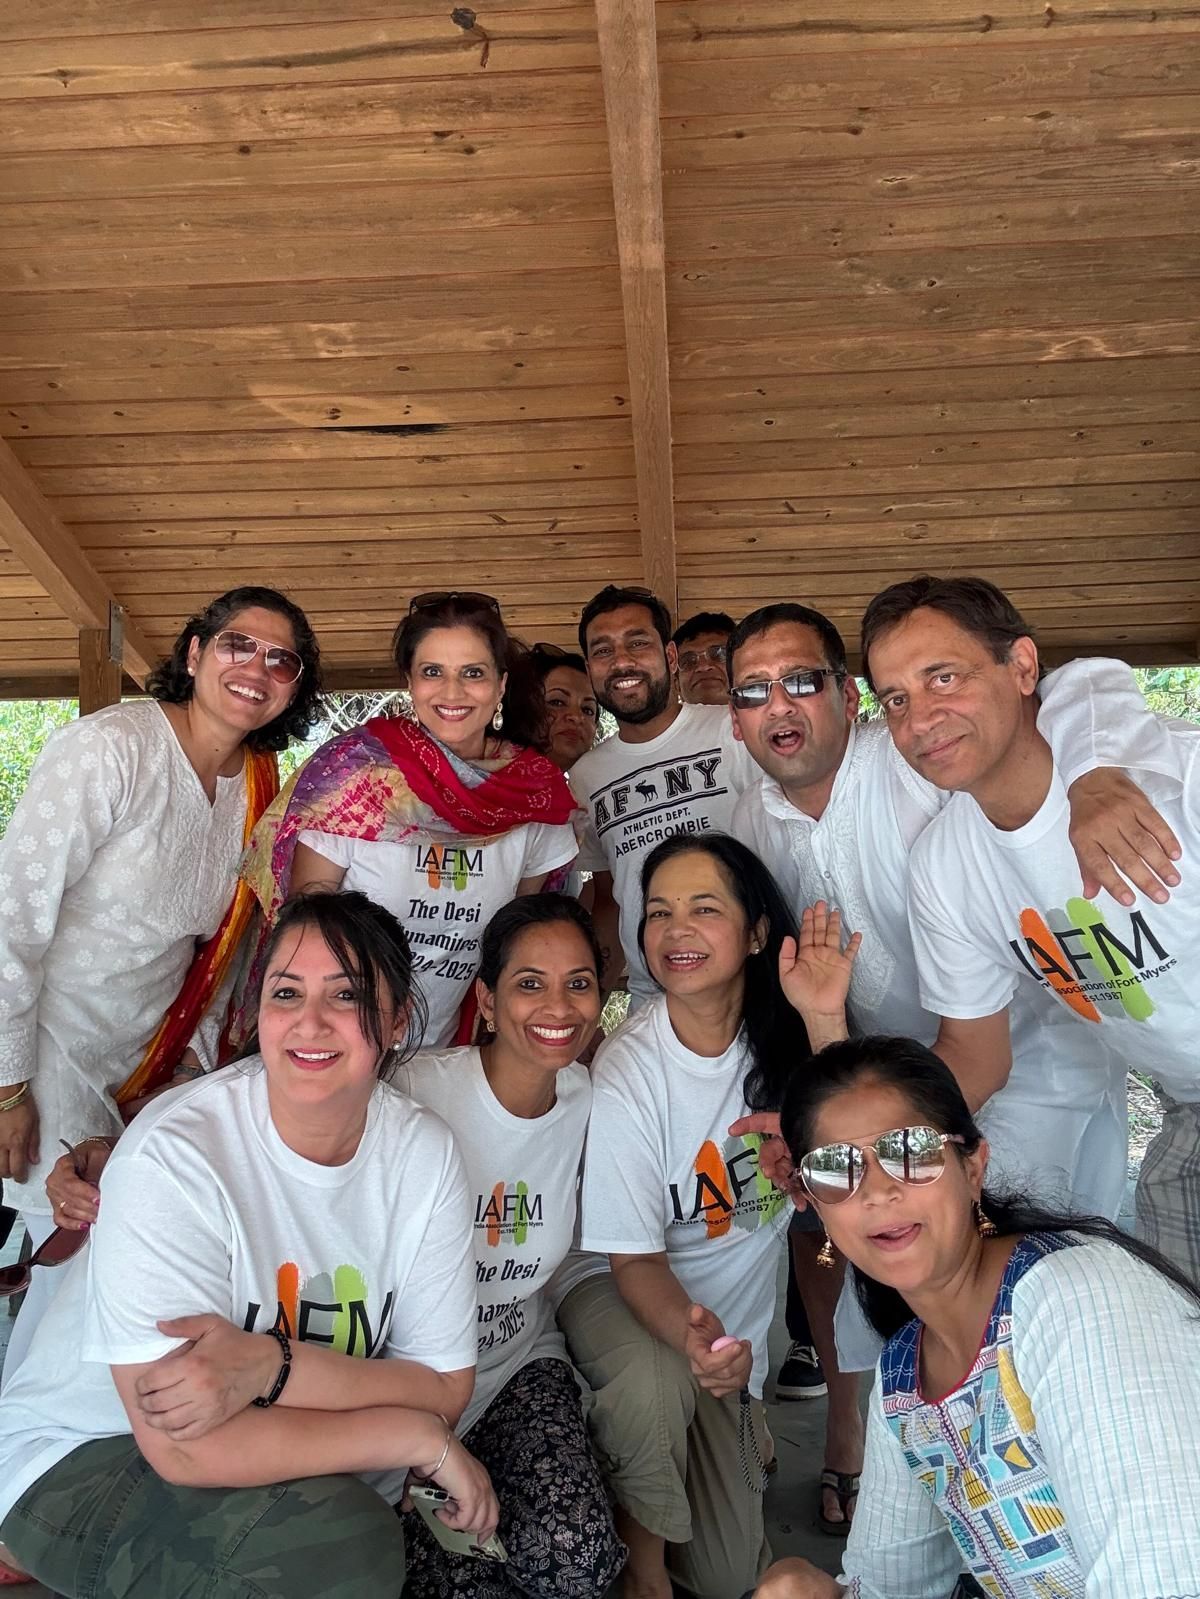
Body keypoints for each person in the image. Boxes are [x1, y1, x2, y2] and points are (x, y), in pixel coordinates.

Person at [726, 599, 1176, 1526]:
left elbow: (1083, 685)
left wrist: (1094, 773)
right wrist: (828, 1123)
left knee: (1039, 1306)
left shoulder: (922, 761)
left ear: (846, 699)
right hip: (914, 1090)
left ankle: (1079, 1513)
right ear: (733, 712)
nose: (781, 703)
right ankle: (982, 1520)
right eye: (754, 689)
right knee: (925, 1306)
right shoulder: (756, 815)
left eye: (804, 679)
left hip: (1037, 1074)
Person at [0, 890, 497, 1596]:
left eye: (347, 995)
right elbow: (181, 1444)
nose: (310, 1021)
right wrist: (415, 1438)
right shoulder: (178, 1156)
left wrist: (269, 1365)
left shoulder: (423, 1155)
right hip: (81, 1453)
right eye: (285, 991)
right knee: (345, 1546)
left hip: (273, 1448)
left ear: (394, 1020)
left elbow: (444, 1384)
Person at [0, 585, 321, 1382]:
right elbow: (13, 916)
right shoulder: (111, 748)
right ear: (193, 653)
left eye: (282, 660)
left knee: (96, 1266)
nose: (257, 669)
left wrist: (183, 1073)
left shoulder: (256, 784)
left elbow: (219, 956)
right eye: (239, 644)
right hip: (36, 1050)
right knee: (66, 1262)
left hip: (137, 1066)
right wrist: (5, 1085)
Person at [754, 1035, 1200, 1598]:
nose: (878, 1190)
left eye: (911, 1151)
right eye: (836, 1169)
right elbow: (891, 1588)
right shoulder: (902, 1378)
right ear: (815, 1204)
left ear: (973, 1166)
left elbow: (1171, 1576)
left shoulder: (1078, 1297)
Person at [861, 574, 1200, 1280]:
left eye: (942, 677)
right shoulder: (945, 868)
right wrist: (860, 1139)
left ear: (1019, 667)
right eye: (896, 699)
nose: (919, 718)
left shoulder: (1174, 777)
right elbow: (974, 1055)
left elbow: (1092, 680)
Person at [568, 832, 856, 1599]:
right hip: (632, 1294)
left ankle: (710, 1437)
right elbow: (633, 1259)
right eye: (658, 912)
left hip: (732, 1350)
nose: (675, 930)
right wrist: (696, 1335)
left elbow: (861, 1184)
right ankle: (645, 1572)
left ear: (757, 931)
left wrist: (825, 1021)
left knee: (732, 1578)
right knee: (657, 1382)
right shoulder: (631, 1067)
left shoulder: (788, 1042)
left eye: (704, 907)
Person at [394, 894, 625, 1598]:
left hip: (517, 1365)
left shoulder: (590, 1099)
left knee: (577, 1561)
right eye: (530, 983)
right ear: (487, 1001)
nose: (558, 1006)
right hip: (404, 1386)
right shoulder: (413, 1090)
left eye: (578, 983)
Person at [242, 591, 581, 1048]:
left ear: (500, 686)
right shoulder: (356, 775)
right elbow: (307, 935)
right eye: (432, 672)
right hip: (340, 1045)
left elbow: (515, 948)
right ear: (410, 682)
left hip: (453, 1048)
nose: (452, 692)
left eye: (473, 673)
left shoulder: (535, 797)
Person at [570, 585, 756, 1006]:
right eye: (603, 651)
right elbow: (607, 899)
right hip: (651, 1003)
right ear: (590, 667)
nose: (621, 661)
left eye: (637, 642)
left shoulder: (734, 731)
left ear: (669, 657)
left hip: (753, 993)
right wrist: (590, 1002)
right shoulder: (585, 777)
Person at [529, 642, 600, 771]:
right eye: (557, 702)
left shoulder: (586, 789)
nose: (577, 717)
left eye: (587, 710)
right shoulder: (486, 784)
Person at [671, 612, 735, 706]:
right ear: (677, 685)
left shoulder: (763, 717)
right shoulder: (662, 721)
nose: (703, 667)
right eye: (688, 661)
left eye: (719, 654)